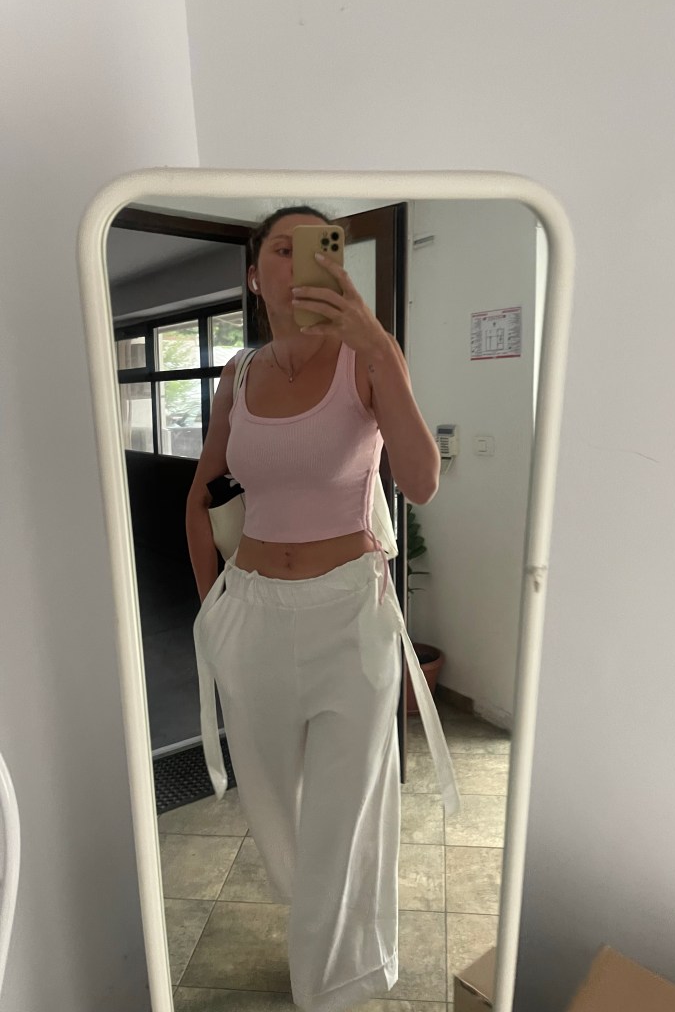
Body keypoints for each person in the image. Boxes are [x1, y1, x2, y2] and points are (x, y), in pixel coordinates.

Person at [186, 205, 460, 1012]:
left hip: (348, 613)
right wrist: (213, 614)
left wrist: (379, 347)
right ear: (255, 275)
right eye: (283, 248)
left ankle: (331, 985)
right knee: (276, 809)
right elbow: (202, 495)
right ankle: (332, 940)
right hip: (253, 614)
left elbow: (421, 480)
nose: (300, 261)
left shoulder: (364, 361)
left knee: (345, 813)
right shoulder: (237, 377)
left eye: (316, 246)